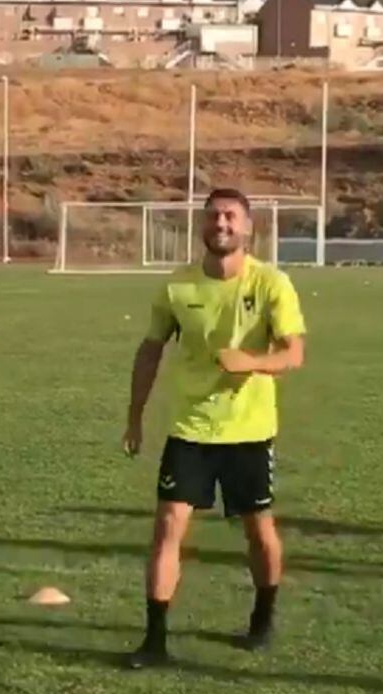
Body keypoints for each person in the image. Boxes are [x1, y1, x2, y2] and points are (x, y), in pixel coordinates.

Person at [122, 187, 307, 668]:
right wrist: (135, 415)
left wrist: (250, 361)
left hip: (249, 431)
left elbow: (294, 353)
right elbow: (150, 350)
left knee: (258, 529)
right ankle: (154, 640)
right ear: (202, 227)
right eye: (212, 217)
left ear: (246, 227)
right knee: (167, 527)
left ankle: (263, 619)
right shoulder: (177, 287)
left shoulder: (271, 284)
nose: (221, 224)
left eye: (230, 216)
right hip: (190, 428)